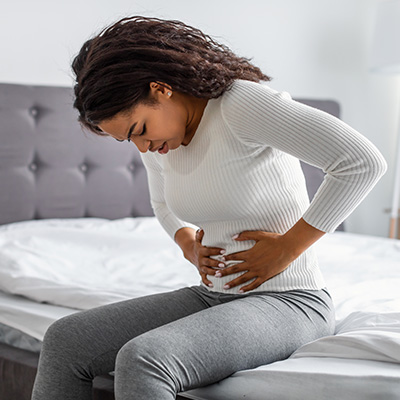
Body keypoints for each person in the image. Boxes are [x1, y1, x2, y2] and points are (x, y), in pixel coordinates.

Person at [31, 16, 387, 400]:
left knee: (145, 358)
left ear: (161, 89)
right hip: (212, 295)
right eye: (127, 141)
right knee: (65, 339)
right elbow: (163, 202)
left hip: (291, 300)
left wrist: (288, 247)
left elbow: (361, 161)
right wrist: (187, 242)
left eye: (138, 130)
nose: (142, 148)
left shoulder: (241, 104)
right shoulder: (163, 139)